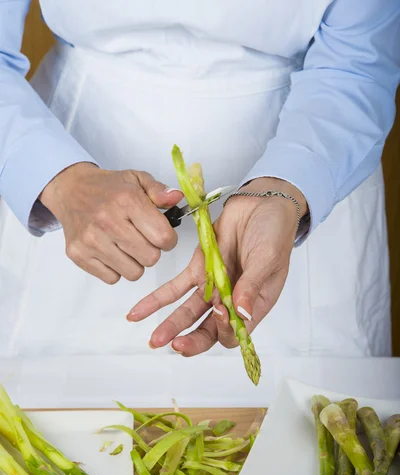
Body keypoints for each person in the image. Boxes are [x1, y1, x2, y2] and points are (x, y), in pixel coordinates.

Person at [0, 1, 399, 363]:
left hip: (309, 182)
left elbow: (360, 64)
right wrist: (59, 180)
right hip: (68, 175)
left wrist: (290, 187)